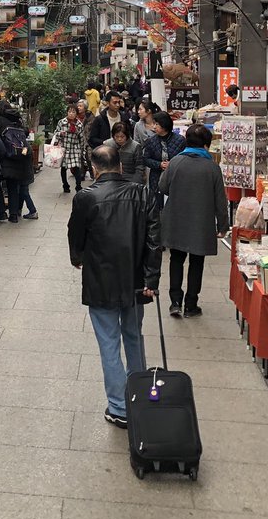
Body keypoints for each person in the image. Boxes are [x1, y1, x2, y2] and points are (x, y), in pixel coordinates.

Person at [68, 144, 161, 428]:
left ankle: (119, 408)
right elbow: (154, 239)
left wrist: (78, 258)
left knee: (109, 343)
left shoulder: (86, 197)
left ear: (94, 169)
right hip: (135, 281)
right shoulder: (143, 193)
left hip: (101, 281)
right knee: (134, 336)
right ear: (120, 166)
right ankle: (141, 393)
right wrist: (151, 279)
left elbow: (76, 234)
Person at [160, 124, 229, 318]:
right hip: (201, 222)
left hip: (176, 219)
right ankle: (191, 304)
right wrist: (223, 226)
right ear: (206, 145)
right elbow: (220, 200)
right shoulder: (212, 168)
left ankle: (175, 302)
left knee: (176, 259)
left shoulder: (175, 162)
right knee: (197, 261)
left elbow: (162, 187)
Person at [0, 100, 35, 222]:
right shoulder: (17, 119)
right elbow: (25, 132)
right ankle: (13, 215)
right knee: (13, 187)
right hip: (17, 157)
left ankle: (1, 213)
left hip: (3, 158)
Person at [142, 111, 186, 200]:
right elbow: (146, 159)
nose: (154, 127)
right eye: (154, 124)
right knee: (156, 203)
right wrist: (159, 164)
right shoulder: (151, 141)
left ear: (164, 125)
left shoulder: (180, 140)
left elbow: (185, 160)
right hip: (156, 177)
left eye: (157, 124)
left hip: (175, 177)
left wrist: (173, 164)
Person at [52, 103, 86, 194]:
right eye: (69, 111)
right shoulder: (61, 122)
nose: (71, 113)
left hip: (75, 148)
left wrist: (82, 150)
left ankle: (78, 186)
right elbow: (56, 133)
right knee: (63, 168)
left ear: (76, 113)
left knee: (76, 167)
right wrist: (61, 133)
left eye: (73, 112)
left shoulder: (79, 124)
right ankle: (65, 185)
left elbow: (82, 138)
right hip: (64, 148)